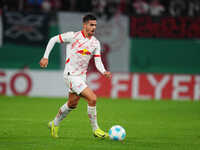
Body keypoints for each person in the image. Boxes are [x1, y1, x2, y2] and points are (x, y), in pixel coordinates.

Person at [39, 14, 111, 138]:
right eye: (91, 25)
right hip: (70, 75)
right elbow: (53, 39)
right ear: (84, 25)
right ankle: (96, 130)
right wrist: (45, 57)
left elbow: (97, 61)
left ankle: (54, 123)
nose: (94, 27)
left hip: (81, 77)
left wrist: (104, 71)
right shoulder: (73, 36)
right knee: (92, 98)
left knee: (72, 104)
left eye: (95, 25)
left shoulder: (95, 43)